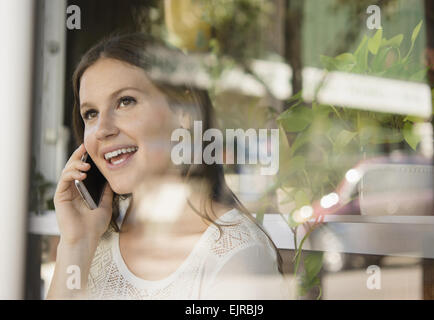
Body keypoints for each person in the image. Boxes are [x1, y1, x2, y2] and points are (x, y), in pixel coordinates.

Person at [46, 33, 291, 299]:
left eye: (125, 101)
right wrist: (76, 243)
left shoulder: (237, 255)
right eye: (90, 113)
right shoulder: (91, 237)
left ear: (183, 112)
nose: (102, 129)